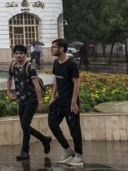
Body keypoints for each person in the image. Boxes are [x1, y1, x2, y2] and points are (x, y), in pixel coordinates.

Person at [7, 44, 52, 161]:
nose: (18, 56)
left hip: (31, 99)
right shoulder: (13, 66)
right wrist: (8, 91)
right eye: (16, 53)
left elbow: (37, 86)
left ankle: (25, 151)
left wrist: (40, 102)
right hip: (20, 99)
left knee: (25, 125)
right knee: (24, 125)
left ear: (25, 54)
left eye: (21, 53)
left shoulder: (30, 67)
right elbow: (9, 78)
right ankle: (44, 139)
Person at [48, 38, 83, 166]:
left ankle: (79, 156)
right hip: (59, 101)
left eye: (54, 47)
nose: (51, 49)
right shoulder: (56, 63)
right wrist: (52, 96)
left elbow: (76, 83)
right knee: (52, 124)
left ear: (62, 48)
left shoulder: (72, 64)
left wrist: (73, 102)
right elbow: (56, 80)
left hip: (71, 101)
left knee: (74, 128)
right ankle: (68, 150)